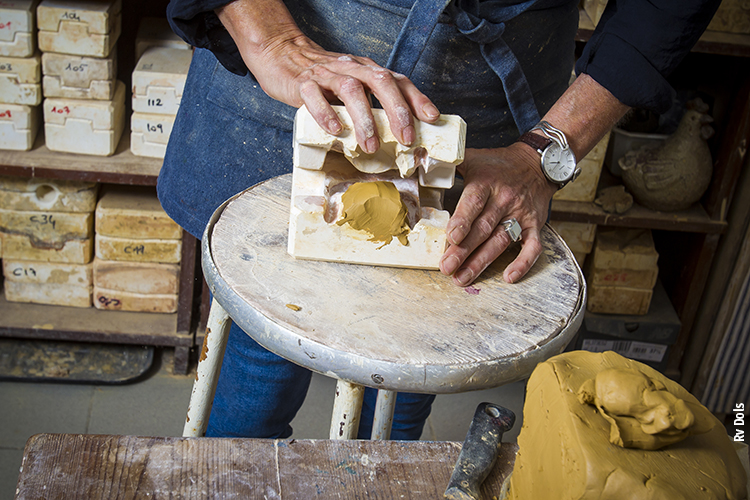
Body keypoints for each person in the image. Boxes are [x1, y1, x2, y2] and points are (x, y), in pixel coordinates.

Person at [157, 0, 721, 439]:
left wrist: (545, 152)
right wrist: (273, 38)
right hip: (295, 43)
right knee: (258, 370)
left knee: (408, 372)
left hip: (480, 86)